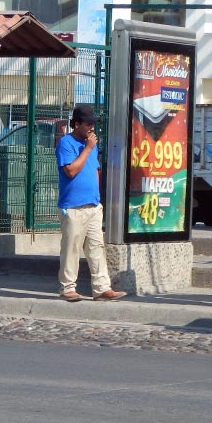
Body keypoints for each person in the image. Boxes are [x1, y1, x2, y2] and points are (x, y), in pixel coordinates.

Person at [57, 104, 125, 302]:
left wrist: (97, 196)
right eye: (87, 124)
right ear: (76, 124)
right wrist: (87, 148)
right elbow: (70, 170)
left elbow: (94, 170)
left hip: (93, 205)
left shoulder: (91, 146)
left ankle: (102, 287)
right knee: (71, 248)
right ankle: (67, 287)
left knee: (96, 248)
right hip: (73, 206)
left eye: (93, 125)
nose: (92, 128)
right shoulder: (66, 143)